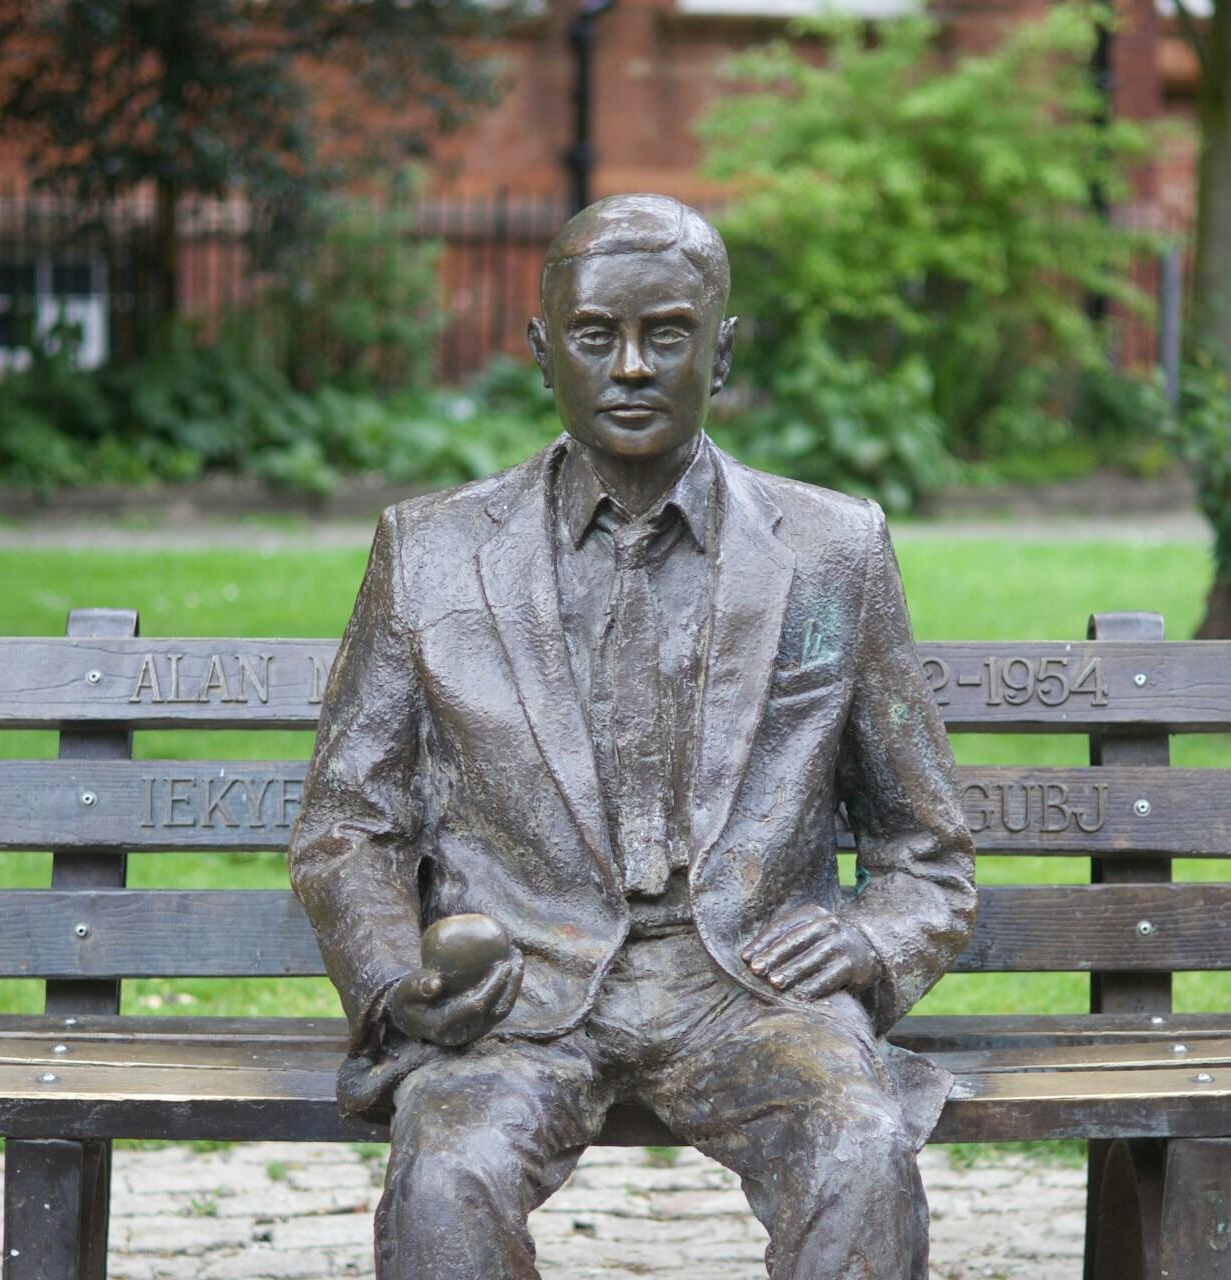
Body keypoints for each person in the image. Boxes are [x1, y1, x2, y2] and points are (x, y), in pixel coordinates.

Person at [288, 193, 976, 1279]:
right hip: (522, 986)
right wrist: (395, 974)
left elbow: (925, 849)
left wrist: (872, 939)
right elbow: (346, 827)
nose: (634, 365)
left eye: (668, 333)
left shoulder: (834, 550)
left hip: (748, 986)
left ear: (724, 349)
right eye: (596, 334)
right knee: (445, 1179)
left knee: (861, 1144)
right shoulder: (428, 553)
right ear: (541, 350)